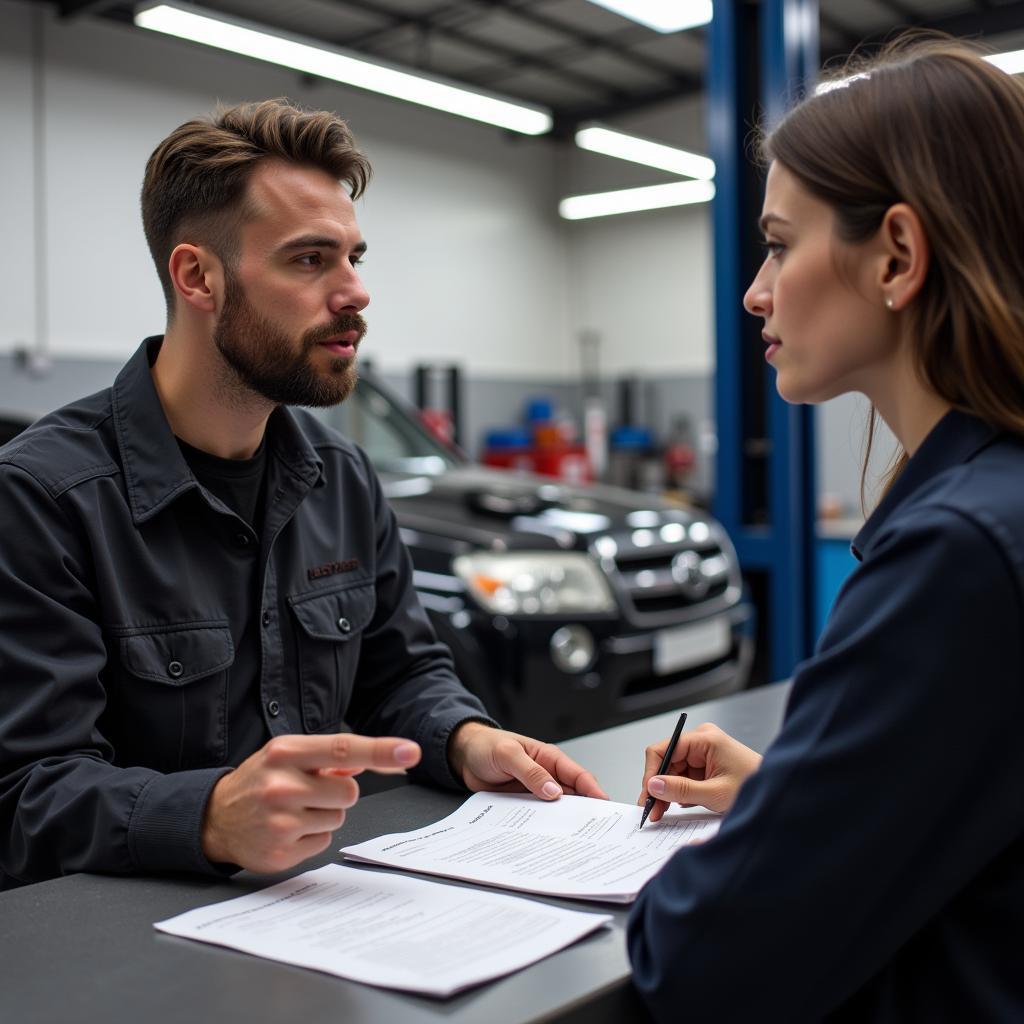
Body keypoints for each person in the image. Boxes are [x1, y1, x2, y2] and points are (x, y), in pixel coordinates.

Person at [0, 99, 606, 889]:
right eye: (310, 260)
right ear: (198, 277)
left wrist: (464, 739)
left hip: (312, 916)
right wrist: (209, 815)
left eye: (354, 257)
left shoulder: (342, 477)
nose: (354, 292)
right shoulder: (44, 499)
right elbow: (23, 794)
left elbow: (402, 674)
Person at [628, 37, 1024, 1022]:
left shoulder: (956, 551)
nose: (756, 291)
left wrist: (774, 839)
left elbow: (701, 957)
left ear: (895, 255)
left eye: (777, 243)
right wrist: (806, 797)